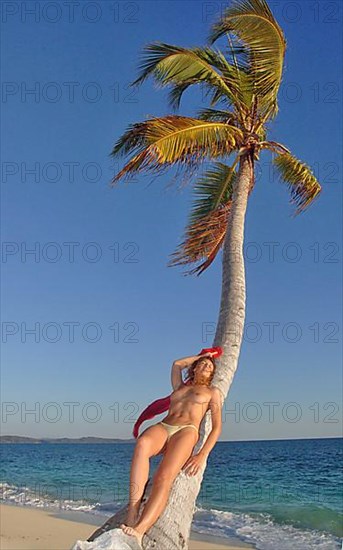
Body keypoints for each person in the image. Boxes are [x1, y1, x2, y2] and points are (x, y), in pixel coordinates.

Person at [120, 351, 223, 548]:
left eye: (210, 367)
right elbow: (177, 364)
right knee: (142, 444)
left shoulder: (212, 392)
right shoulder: (179, 386)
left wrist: (202, 455)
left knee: (164, 477)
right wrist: (203, 356)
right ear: (194, 368)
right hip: (165, 426)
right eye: (202, 365)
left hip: (186, 431)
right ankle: (132, 511)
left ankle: (140, 530)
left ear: (212, 375)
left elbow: (217, 427)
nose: (206, 367)